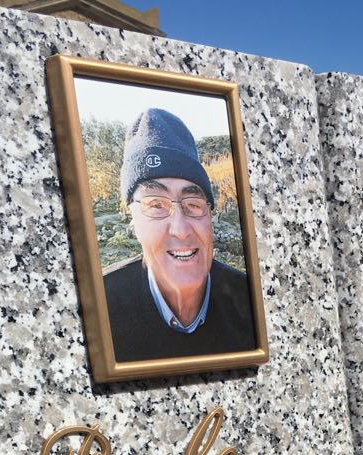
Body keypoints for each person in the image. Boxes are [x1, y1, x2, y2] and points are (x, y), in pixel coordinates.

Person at [103, 108, 256, 363]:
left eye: (193, 204)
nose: (181, 230)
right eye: (156, 205)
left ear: (210, 215)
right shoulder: (99, 309)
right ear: (132, 219)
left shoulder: (250, 303)